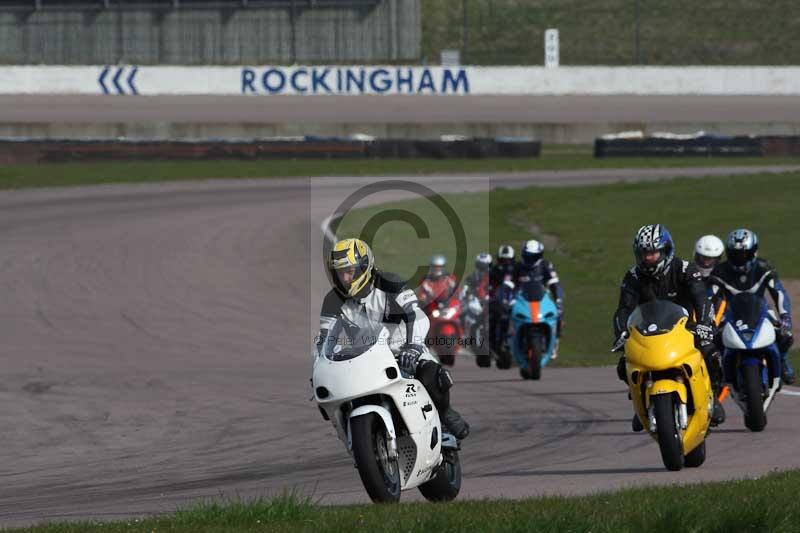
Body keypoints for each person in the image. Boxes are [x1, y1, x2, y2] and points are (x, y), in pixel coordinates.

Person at [315, 238, 470, 439]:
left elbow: (416, 315)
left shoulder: (390, 283)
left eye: (350, 270)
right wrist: (320, 366)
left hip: (403, 350)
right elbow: (324, 338)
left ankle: (445, 412)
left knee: (432, 375)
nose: (345, 277)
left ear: (364, 267)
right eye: (340, 272)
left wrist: (413, 347)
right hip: (364, 358)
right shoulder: (332, 300)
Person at [613, 224, 725, 429]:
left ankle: (713, 397)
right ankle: (641, 405)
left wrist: (705, 325)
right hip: (647, 333)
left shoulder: (685, 269)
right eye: (644, 253)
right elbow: (623, 309)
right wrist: (621, 333)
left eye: (653, 253)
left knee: (713, 356)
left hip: (685, 329)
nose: (648, 258)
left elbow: (702, 299)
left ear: (666, 250)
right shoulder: (633, 277)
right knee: (624, 366)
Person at [710, 228, 794, 385]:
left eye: (744, 255)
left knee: (785, 335)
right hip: (731, 313)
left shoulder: (764, 268)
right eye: (735, 255)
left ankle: (782, 361)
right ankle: (719, 371)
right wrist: (709, 322)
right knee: (714, 340)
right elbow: (709, 298)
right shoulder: (719, 272)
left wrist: (785, 316)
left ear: (754, 252)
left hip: (762, 310)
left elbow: (779, 292)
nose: (740, 259)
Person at [514, 239, 564, 346]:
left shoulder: (545, 265)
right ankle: (507, 339)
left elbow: (555, 284)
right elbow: (508, 285)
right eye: (528, 256)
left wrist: (558, 300)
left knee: (558, 312)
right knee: (504, 314)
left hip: (542, 299)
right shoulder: (518, 266)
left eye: (534, 256)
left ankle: (555, 339)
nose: (531, 259)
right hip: (522, 300)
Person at [488, 245, 516, 353]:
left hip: (516, 300)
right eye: (503, 260)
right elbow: (489, 286)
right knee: (493, 317)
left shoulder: (517, 270)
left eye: (508, 261)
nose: (506, 263)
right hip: (498, 300)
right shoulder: (494, 271)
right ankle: (494, 342)